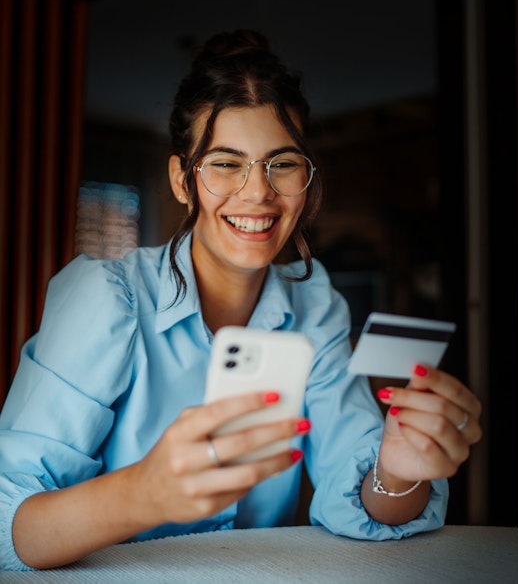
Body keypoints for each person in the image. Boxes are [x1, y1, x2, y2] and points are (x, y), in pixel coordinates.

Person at [0, 30, 481, 571]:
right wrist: (142, 494)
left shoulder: (313, 303)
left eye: (283, 163)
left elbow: (360, 505)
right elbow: (6, 527)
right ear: (183, 180)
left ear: (308, 179)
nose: (258, 193)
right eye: (225, 163)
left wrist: (399, 469)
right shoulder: (107, 298)